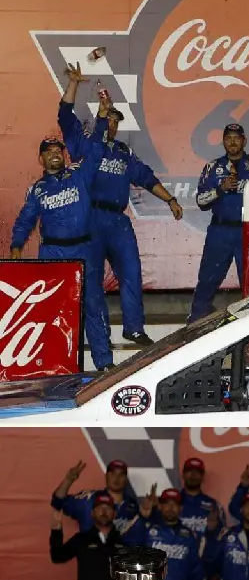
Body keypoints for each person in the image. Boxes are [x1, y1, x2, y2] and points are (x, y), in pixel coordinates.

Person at [57, 62, 184, 346]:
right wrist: (75, 84)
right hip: (89, 218)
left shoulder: (124, 152)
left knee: (131, 271)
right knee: (91, 280)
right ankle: (94, 337)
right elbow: (65, 115)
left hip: (118, 219)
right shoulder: (84, 144)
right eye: (108, 118)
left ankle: (134, 328)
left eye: (116, 120)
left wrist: (171, 200)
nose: (112, 123)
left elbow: (146, 177)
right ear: (100, 118)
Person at [9, 135, 114, 370]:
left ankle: (104, 363)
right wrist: (16, 246)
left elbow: (96, 151)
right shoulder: (37, 190)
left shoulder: (80, 175)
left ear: (64, 155)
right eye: (49, 151)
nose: (55, 154)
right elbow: (25, 221)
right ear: (41, 158)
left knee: (93, 305)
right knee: (52, 308)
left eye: (58, 150)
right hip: (52, 253)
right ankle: (54, 365)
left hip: (84, 250)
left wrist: (104, 121)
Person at [189, 122, 249, 323]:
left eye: (236, 137)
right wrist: (220, 189)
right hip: (220, 230)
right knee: (208, 279)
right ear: (223, 141)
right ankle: (195, 321)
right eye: (228, 138)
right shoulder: (213, 167)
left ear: (244, 140)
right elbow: (201, 200)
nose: (232, 141)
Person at [51, 458, 139, 534]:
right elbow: (58, 502)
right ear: (106, 476)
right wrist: (68, 480)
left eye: (121, 475)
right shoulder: (89, 498)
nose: (116, 478)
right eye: (112, 474)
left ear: (126, 479)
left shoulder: (133, 505)